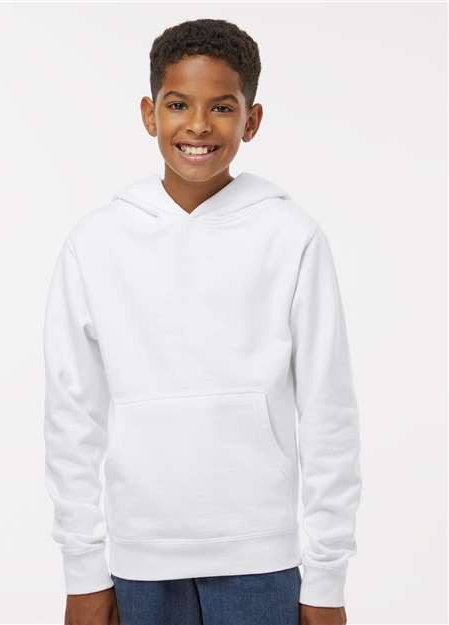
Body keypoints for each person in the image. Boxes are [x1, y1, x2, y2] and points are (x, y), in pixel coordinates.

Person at [43, 17, 362, 625]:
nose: (197, 125)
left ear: (251, 120)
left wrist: (327, 579)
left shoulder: (290, 236)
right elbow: (71, 413)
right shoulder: (97, 241)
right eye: (177, 104)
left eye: (221, 107)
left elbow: (329, 413)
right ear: (149, 114)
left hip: (262, 557)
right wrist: (82, 569)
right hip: (140, 555)